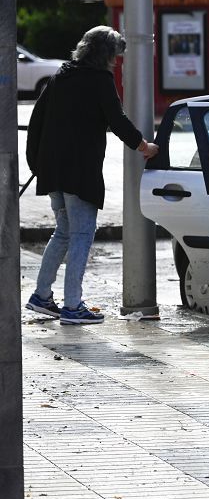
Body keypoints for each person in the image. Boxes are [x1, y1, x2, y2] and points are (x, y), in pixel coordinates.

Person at [25, 26, 159, 325]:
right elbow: (117, 119)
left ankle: (42, 296)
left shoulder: (62, 75)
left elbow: (37, 120)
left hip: (53, 171)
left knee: (62, 233)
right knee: (82, 235)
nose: (116, 61)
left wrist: (36, 164)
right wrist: (143, 146)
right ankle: (73, 306)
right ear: (106, 54)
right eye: (115, 55)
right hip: (79, 172)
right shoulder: (99, 80)